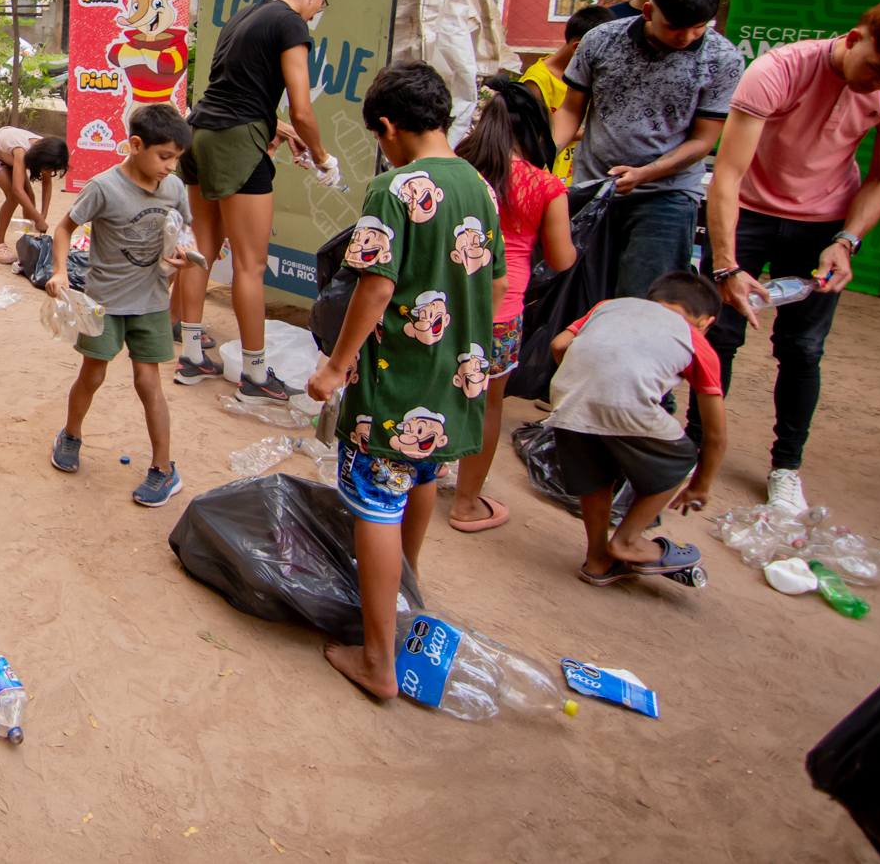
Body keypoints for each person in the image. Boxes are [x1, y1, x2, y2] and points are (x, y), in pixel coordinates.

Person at [304, 62, 504, 700]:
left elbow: (376, 285)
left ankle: (377, 660)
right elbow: (496, 282)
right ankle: (405, 588)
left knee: (375, 505)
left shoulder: (394, 188)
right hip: (455, 381)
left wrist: (336, 364)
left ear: (388, 127)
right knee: (420, 478)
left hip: (396, 384)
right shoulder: (478, 185)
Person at [704, 0, 880, 517]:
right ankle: (696, 447)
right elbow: (728, 175)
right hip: (749, 210)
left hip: (825, 221)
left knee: (803, 348)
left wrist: (846, 240)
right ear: (854, 38)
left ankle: (786, 467)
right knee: (720, 336)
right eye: (877, 68)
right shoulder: (778, 70)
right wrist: (726, 264)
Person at [175, 0, 333, 398]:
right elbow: (302, 109)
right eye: (321, 5)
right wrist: (323, 157)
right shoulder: (291, 23)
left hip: (200, 132)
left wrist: (276, 128)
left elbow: (234, 91)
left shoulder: (247, 15)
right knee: (251, 265)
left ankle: (191, 356)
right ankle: (257, 376)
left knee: (201, 250)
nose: (317, 14)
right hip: (237, 145)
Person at [553, 0, 742, 299]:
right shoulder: (601, 40)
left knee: (642, 300)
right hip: (593, 188)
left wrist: (645, 174)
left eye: (698, 27)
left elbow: (703, 140)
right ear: (649, 11)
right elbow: (570, 110)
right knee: (579, 297)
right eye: (674, 27)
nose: (686, 37)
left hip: (666, 196)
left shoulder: (723, 59)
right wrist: (542, 153)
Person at [46, 104, 195, 508]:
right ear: (135, 145)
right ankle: (71, 435)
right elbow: (64, 228)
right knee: (92, 374)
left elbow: (186, 228)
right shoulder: (104, 187)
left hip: (151, 301)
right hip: (105, 302)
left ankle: (163, 469)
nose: (170, 166)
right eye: (164, 156)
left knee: (149, 382)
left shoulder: (174, 188)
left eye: (176, 158)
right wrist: (60, 271)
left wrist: (185, 252)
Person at [447, 79, 576, 532]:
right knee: (487, 405)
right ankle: (465, 503)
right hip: (499, 316)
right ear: (537, 130)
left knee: (439, 390)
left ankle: (420, 473)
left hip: (443, 306)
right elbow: (561, 259)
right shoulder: (545, 186)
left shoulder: (459, 169)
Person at [547, 272, 725, 585]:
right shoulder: (693, 337)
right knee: (680, 456)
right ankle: (627, 540)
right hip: (627, 405)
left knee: (595, 477)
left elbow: (559, 344)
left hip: (569, 399)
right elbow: (715, 434)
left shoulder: (609, 306)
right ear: (705, 322)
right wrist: (700, 485)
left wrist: (590, 381)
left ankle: (597, 560)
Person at [520, 5, 615, 182]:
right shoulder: (536, 81)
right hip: (545, 180)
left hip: (575, 179)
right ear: (579, 49)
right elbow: (532, 133)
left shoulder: (591, 79)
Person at [0, 126, 69, 264]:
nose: (48, 172)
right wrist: (38, 219)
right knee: (13, 197)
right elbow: (17, 190)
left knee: (29, 197)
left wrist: (43, 215)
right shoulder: (22, 151)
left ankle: (29, 240)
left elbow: (47, 184)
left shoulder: (48, 151)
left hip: (8, 153)